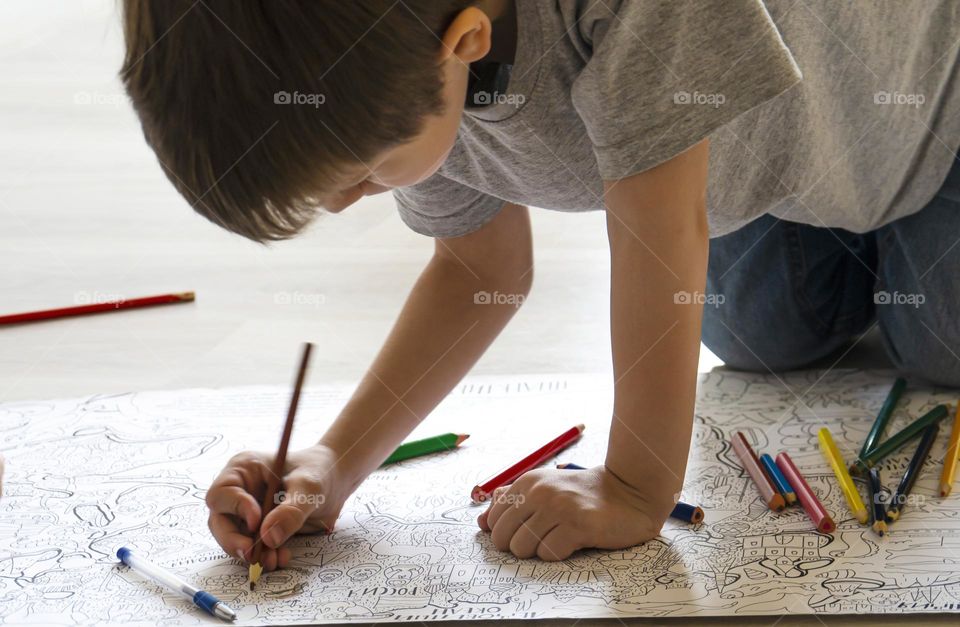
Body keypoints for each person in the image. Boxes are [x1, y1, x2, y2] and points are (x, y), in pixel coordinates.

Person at [120, 0, 960, 571]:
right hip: (788, 163)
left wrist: (634, 487)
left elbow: (659, 236)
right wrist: (334, 461)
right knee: (758, 338)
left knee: (938, 341)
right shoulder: (396, 51)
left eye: (366, 179)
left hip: (927, 111)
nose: (350, 203)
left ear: (466, 43)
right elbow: (478, 271)